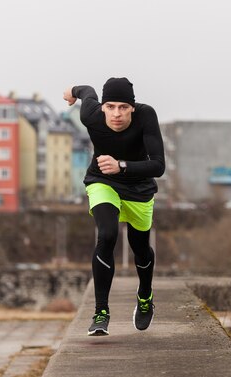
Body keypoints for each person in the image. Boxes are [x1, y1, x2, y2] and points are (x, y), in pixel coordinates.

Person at [63, 77, 165, 336]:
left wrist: (121, 165)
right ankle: (101, 313)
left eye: (123, 107)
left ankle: (145, 295)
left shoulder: (146, 116)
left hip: (139, 187)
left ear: (132, 107)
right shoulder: (90, 115)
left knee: (140, 248)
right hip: (102, 181)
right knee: (106, 234)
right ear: (103, 108)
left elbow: (158, 165)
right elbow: (87, 91)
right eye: (110, 107)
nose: (116, 114)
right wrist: (72, 92)